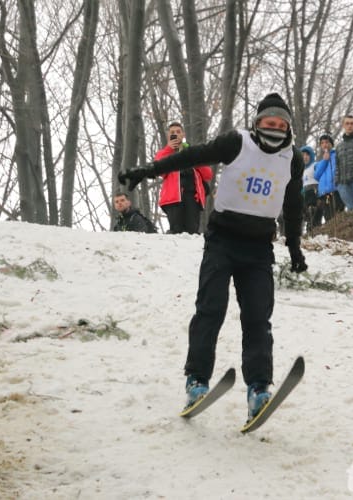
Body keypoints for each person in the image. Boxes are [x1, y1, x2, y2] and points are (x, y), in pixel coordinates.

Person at [118, 93, 307, 420]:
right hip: (223, 241)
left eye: (280, 125)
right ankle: (196, 381)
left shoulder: (292, 160)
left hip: (259, 248)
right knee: (210, 309)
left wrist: (294, 247)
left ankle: (259, 389)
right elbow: (193, 156)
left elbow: (293, 206)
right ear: (257, 123)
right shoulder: (238, 142)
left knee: (258, 318)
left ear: (288, 127)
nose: (274, 129)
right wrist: (149, 170)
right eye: (268, 123)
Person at [154, 122, 213, 234]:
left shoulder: (192, 152)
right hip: (173, 198)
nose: (175, 134)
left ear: (183, 134)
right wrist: (169, 149)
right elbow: (158, 169)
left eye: (178, 132)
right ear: (168, 136)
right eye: (172, 132)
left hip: (193, 196)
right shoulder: (164, 153)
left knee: (192, 231)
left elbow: (208, 174)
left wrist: (193, 157)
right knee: (176, 230)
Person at [313, 134, 344, 221]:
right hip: (324, 193)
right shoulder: (320, 162)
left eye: (327, 142)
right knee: (328, 217)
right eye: (322, 143)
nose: (325, 145)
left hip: (336, 190)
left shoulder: (337, 155)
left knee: (338, 215)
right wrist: (325, 161)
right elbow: (316, 176)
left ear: (331, 144)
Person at [300, 145, 322, 231]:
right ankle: (309, 230)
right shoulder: (301, 170)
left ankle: (315, 229)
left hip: (314, 192)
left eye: (307, 155)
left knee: (314, 213)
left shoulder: (315, 165)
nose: (305, 157)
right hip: (305, 194)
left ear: (311, 156)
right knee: (307, 215)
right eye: (303, 155)